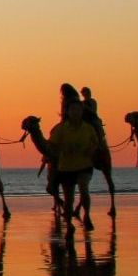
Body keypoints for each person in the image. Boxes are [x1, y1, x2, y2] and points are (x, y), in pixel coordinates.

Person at [47, 98, 99, 229]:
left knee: (83, 188)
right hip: (66, 167)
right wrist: (62, 150)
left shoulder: (88, 128)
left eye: (78, 109)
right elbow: (52, 145)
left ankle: (87, 215)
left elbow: (96, 142)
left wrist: (91, 150)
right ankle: (69, 224)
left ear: (82, 111)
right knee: (69, 198)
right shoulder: (61, 129)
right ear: (67, 112)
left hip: (84, 165)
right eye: (72, 109)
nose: (75, 112)